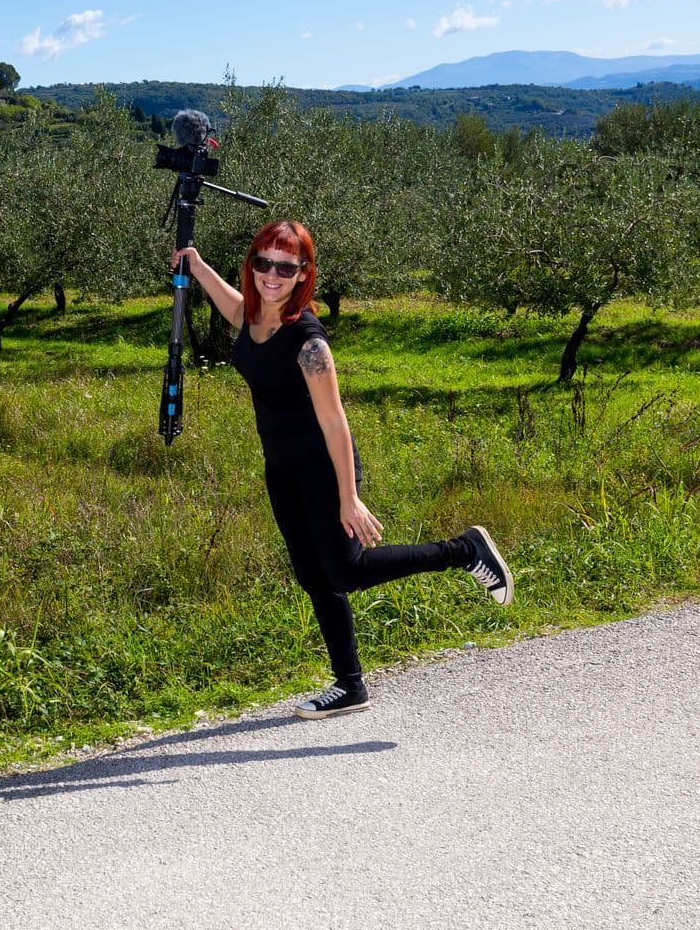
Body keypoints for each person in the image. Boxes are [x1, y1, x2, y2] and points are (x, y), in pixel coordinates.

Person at [173, 220, 512, 719]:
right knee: (315, 577)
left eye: (285, 267)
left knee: (346, 572)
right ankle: (350, 686)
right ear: (252, 265)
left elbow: (335, 424)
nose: (272, 274)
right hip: (281, 471)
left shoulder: (308, 341)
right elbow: (234, 306)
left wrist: (348, 496)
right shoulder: (253, 317)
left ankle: (464, 550)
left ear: (303, 273)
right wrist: (198, 265)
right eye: (264, 262)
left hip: (322, 470)